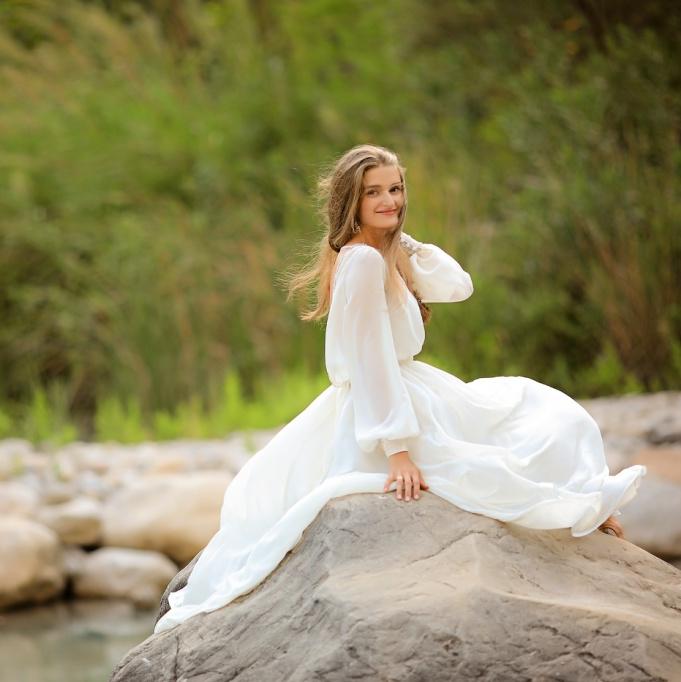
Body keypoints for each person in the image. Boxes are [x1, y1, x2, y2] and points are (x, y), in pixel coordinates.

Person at [153, 144, 646, 634]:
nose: (389, 200)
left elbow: (459, 286)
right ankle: (580, 509)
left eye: (395, 189)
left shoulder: (380, 254)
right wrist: (398, 450)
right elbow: (369, 360)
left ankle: (582, 508)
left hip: (413, 387)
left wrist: (402, 241)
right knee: (505, 445)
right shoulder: (363, 262)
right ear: (351, 201)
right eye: (374, 193)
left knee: (535, 411)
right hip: (384, 401)